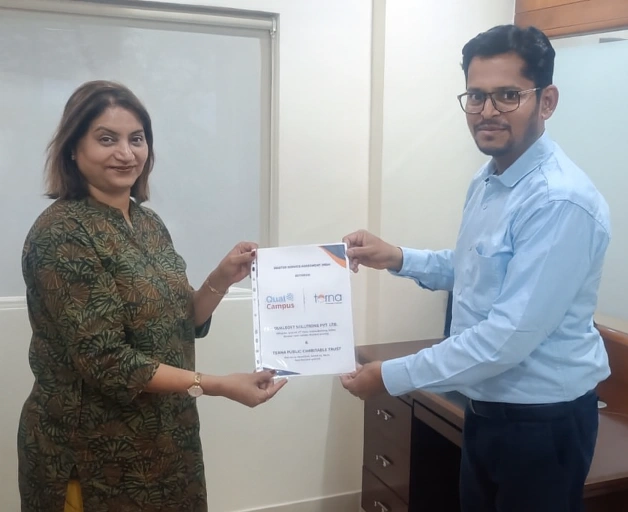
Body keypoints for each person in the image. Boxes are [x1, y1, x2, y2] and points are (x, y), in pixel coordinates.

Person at [340, 25, 611, 512]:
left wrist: (392, 375)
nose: (487, 111)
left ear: (546, 101)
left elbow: (506, 338)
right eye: (477, 96)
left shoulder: (559, 201)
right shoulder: (488, 180)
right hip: (486, 407)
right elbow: (474, 270)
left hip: (542, 422)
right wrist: (396, 257)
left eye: (508, 95)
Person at [18, 80, 286, 512]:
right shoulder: (61, 233)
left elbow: (178, 323)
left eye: (136, 139)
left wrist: (221, 278)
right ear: (73, 149)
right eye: (107, 139)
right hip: (93, 455)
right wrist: (217, 385)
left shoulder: (147, 223)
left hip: (166, 443)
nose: (126, 153)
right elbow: (107, 361)